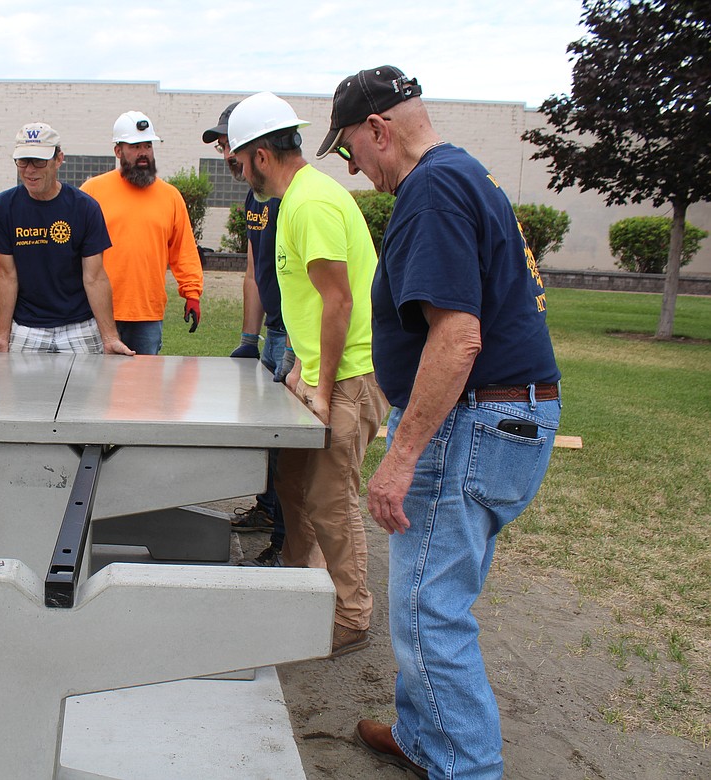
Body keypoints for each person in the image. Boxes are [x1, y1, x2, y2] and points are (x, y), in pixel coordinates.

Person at [320, 66, 561, 778]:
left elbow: (458, 338)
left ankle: (467, 767)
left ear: (378, 130)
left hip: (477, 422)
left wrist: (400, 458)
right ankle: (426, 739)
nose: (355, 168)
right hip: (505, 415)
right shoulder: (464, 174)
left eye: (350, 151)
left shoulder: (430, 191)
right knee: (434, 597)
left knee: (430, 611)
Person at [228, 92, 390, 656]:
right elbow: (303, 302)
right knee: (292, 481)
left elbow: (338, 301)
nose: (237, 172)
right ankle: (301, 576)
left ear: (261, 155)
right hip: (324, 370)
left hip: (350, 375)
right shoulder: (293, 202)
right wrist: (300, 364)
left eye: (236, 162)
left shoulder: (310, 204)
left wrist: (322, 385)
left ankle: (350, 614)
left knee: (330, 497)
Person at [204, 101, 289, 560]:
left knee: (291, 447)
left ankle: (284, 539)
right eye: (220, 145)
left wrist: (294, 345)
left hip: (295, 337)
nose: (224, 153)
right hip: (274, 333)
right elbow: (255, 270)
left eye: (227, 143)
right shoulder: (253, 198)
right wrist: (249, 338)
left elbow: (313, 286)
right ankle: (266, 508)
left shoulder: (289, 196)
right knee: (265, 436)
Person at [0, 122, 133, 356]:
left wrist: (110, 338)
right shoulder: (3, 208)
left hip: (79, 326)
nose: (30, 170)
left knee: (90, 391)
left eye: (39, 161)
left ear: (58, 159)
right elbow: (6, 275)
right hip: (27, 327)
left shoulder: (85, 208)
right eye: (23, 161)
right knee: (19, 393)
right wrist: (1, 335)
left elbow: (94, 277)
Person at [80, 111, 203, 354]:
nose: (144, 152)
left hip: (147, 314)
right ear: (118, 151)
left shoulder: (171, 197)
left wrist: (192, 293)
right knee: (97, 388)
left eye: (148, 145)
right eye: (135, 146)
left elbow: (184, 251)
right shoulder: (92, 192)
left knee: (145, 388)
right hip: (98, 311)